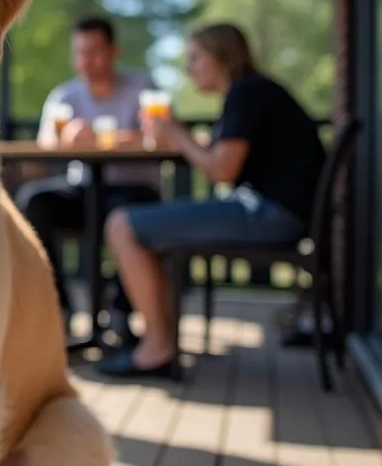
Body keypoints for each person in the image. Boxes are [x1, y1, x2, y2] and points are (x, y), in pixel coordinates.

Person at [100, 22, 326, 377]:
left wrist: (176, 133)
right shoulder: (253, 94)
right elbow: (224, 157)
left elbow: (222, 170)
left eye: (195, 58)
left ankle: (156, 347)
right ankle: (159, 339)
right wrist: (184, 137)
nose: (189, 68)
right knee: (144, 229)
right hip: (278, 211)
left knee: (121, 225)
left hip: (271, 214)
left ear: (221, 58)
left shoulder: (246, 94)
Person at [15, 16, 159, 338]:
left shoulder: (141, 88)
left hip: (131, 188)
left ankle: (121, 310)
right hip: (81, 190)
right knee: (35, 202)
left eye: (95, 51)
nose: (87, 60)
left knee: (136, 212)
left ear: (113, 52)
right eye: (80, 53)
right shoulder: (64, 97)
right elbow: (45, 148)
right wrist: (67, 141)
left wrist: (105, 138)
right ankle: (60, 306)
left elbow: (158, 136)